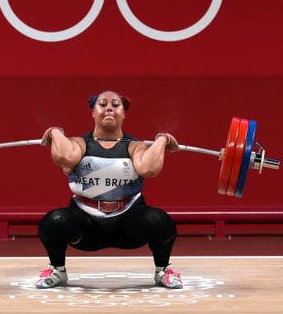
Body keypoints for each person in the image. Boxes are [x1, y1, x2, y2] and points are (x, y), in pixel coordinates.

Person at [36, 90, 183, 289]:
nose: (109, 108)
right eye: (102, 104)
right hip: (86, 226)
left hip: (128, 225)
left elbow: (148, 169)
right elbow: (64, 158)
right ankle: (57, 270)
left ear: (124, 114)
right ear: (93, 112)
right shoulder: (80, 144)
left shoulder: (134, 146)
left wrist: (162, 140)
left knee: (159, 220)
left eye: (116, 105)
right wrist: (55, 132)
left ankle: (163, 270)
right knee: (54, 221)